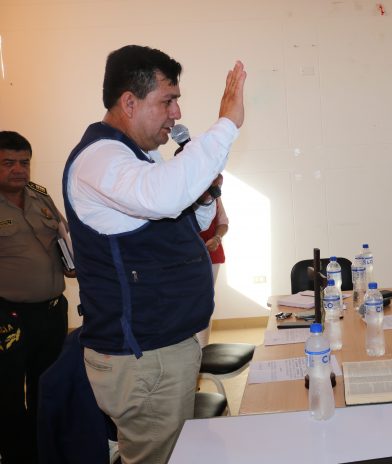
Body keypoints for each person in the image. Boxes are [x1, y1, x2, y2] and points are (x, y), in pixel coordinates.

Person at [62, 45, 245, 463]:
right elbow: (163, 197)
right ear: (129, 103)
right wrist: (227, 123)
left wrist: (205, 195)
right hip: (143, 359)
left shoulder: (138, 157)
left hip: (162, 350)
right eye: (168, 100)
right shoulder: (100, 158)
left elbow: (184, 225)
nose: (177, 113)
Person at [0, 131, 73, 464]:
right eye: (8, 163)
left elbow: (64, 236)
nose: (19, 169)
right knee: (9, 393)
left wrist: (72, 263)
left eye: (24, 162)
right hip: (9, 317)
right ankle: (18, 456)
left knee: (49, 386)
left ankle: (46, 452)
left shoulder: (40, 196)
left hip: (52, 312)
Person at [196, 192, 229, 347]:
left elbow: (223, 222)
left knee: (205, 301)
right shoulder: (181, 192)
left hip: (211, 253)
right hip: (183, 255)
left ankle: (203, 348)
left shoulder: (215, 195)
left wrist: (217, 238)